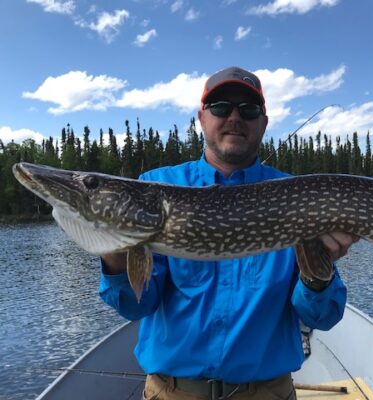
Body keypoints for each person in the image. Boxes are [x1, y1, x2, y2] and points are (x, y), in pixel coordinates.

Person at [100, 66, 358, 400]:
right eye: (221, 107)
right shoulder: (157, 187)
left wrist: (318, 274)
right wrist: (114, 251)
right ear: (202, 118)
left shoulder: (296, 196)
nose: (234, 117)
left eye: (248, 110)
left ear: (263, 124)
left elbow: (321, 317)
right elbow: (135, 306)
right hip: (173, 393)